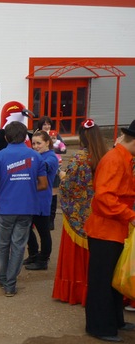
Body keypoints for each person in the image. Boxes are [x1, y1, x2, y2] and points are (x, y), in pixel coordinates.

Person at [83, 120, 135, 342]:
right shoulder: (115, 159)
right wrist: (131, 215)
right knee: (102, 281)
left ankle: (114, 321)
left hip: (114, 228)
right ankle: (99, 326)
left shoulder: (122, 158)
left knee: (111, 279)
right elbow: (104, 197)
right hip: (105, 230)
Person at [0, 121, 47, 296]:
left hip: (5, 207)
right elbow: (43, 184)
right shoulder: (36, 156)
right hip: (26, 208)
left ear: (6, 137)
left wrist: (2, 189)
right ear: (26, 137)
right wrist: (27, 188)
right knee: (19, 246)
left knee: (3, 244)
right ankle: (10, 284)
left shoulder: (0, 156)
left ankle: (2, 277)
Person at [52, 119, 108, 305]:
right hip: (97, 212)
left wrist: (62, 176)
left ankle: (74, 290)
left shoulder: (79, 158)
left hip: (77, 214)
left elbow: (68, 186)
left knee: (75, 257)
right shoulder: (105, 156)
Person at [24, 130, 59, 270]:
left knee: (43, 231)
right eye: (33, 144)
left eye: (39, 143)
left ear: (47, 142)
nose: (36, 146)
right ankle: (33, 253)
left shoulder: (51, 157)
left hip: (42, 199)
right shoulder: (35, 155)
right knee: (26, 228)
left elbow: (43, 166)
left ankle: (43, 259)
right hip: (30, 198)